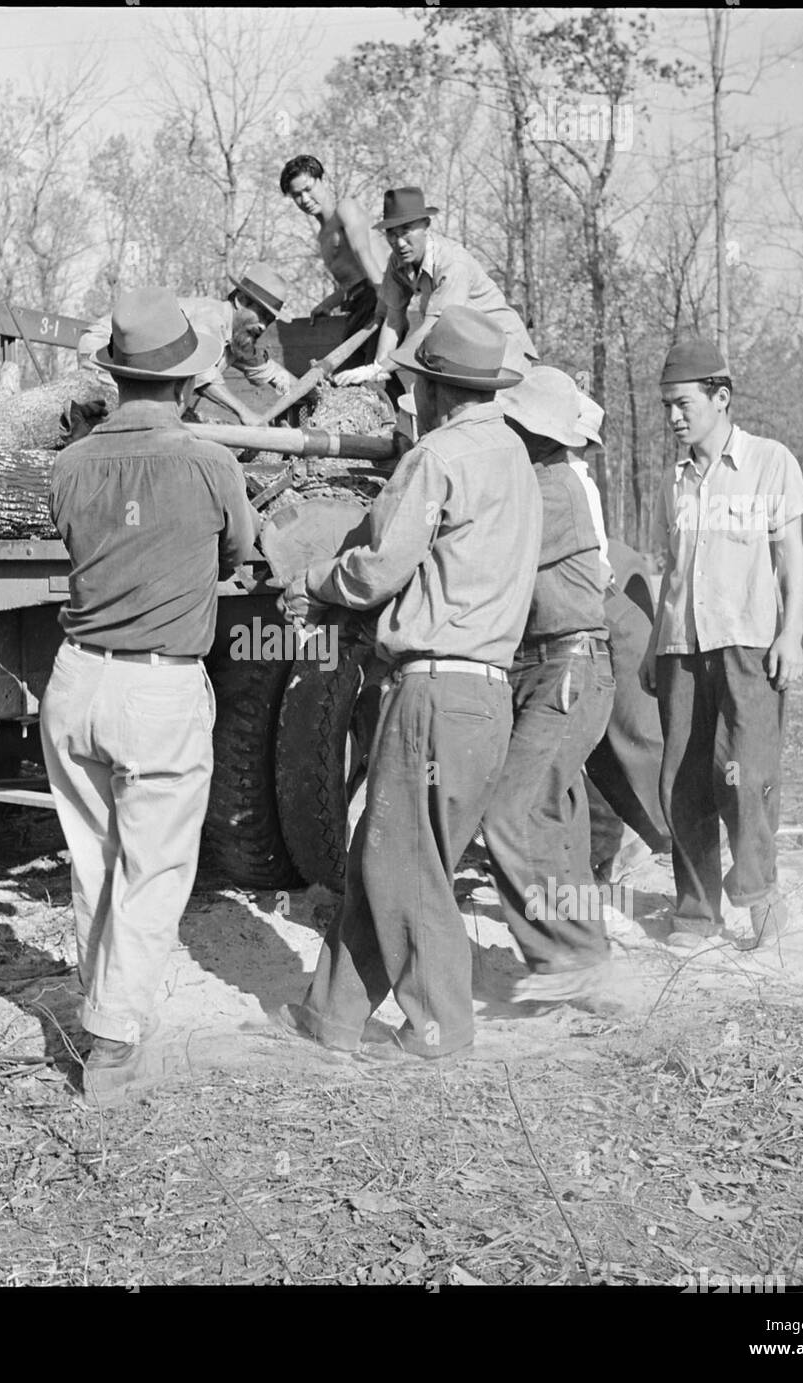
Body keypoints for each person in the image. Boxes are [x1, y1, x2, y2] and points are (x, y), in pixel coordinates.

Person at [274, 306, 541, 1061]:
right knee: (388, 853)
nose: (411, 397)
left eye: (416, 383)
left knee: (400, 861)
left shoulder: (439, 456)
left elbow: (383, 564)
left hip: (432, 689)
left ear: (437, 389)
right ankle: (332, 1015)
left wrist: (318, 583)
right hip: (487, 696)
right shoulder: (517, 459)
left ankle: (440, 1025)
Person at [41, 287, 259, 1100]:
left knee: (94, 858)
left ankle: (100, 1006)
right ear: (183, 385)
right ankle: (114, 1039)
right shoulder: (210, 461)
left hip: (76, 679)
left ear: (117, 380)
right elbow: (241, 551)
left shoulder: (69, 465)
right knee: (154, 866)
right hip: (157, 683)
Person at [640, 337, 803, 950]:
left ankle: (762, 900)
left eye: (682, 403)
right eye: (665, 407)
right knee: (682, 783)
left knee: (745, 777)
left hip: (749, 649)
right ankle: (695, 913)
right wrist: (653, 646)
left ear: (721, 397)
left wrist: (790, 633)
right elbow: (673, 567)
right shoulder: (673, 481)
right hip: (681, 650)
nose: (673, 417)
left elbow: (790, 559)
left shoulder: (770, 463)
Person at [478, 366, 617, 1007]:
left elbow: (484, 549)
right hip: (547, 666)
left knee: (509, 810)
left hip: (568, 666)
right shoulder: (538, 480)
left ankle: (564, 956)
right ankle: (585, 956)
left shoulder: (549, 488)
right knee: (550, 817)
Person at [570, 392, 671, 879]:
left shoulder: (576, 485)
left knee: (635, 732)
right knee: (598, 745)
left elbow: (595, 573)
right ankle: (610, 837)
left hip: (602, 610)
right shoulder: (552, 479)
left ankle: (673, 837)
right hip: (586, 613)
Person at [334, 187, 538, 391]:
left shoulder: (452, 263)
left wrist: (380, 368)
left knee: (489, 414)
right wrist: (376, 371)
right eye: (392, 234)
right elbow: (393, 319)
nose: (400, 243)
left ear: (426, 225)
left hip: (502, 348)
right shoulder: (397, 263)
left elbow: (433, 328)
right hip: (463, 350)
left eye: (405, 231)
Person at [76, 263, 296, 427]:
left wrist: (303, 390)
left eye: (270, 320)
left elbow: (269, 373)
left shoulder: (241, 336)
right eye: (261, 315)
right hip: (106, 347)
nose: (263, 325)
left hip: (140, 367)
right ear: (241, 301)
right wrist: (244, 413)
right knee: (135, 419)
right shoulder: (211, 317)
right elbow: (203, 375)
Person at [278, 153, 389, 337]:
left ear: (324, 181)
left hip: (377, 296)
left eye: (308, 189)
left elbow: (364, 253)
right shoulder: (323, 237)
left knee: (366, 365)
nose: (305, 199)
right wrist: (328, 304)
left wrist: (386, 301)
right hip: (358, 306)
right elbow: (353, 282)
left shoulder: (345, 209)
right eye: (297, 195)